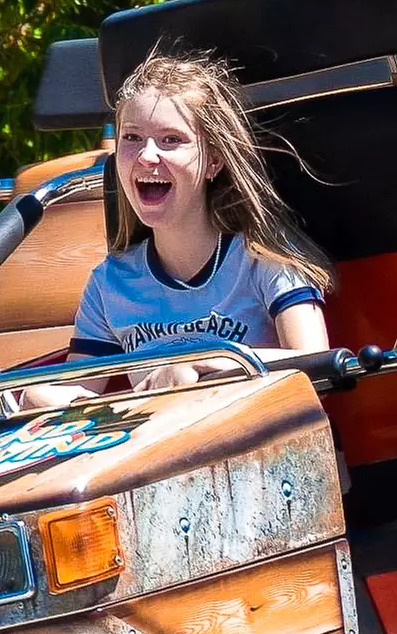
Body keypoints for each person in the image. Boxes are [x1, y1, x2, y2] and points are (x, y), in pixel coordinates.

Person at [23, 51, 335, 407]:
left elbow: (314, 363)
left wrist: (209, 364)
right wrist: (34, 399)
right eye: (132, 138)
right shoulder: (110, 283)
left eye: (171, 140)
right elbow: (78, 389)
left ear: (213, 160)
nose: (147, 155)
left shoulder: (266, 259)